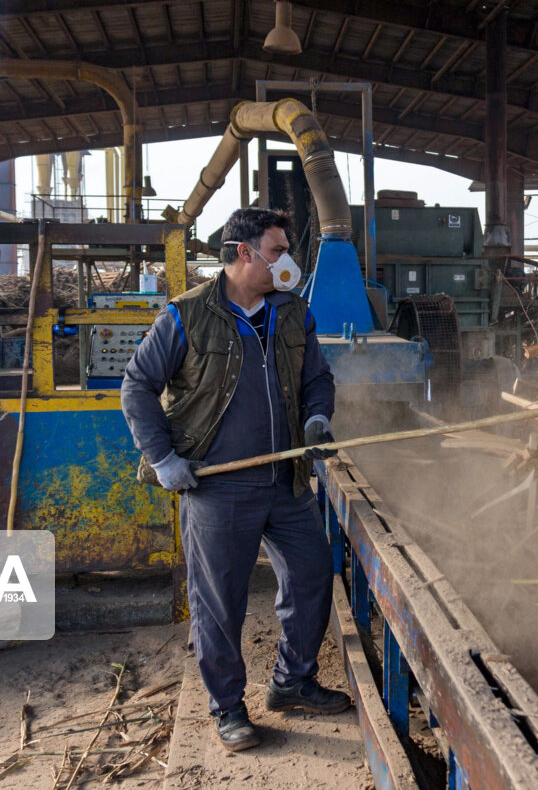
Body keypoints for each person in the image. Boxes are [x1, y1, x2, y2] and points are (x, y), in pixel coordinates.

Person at [121, 207, 350, 752]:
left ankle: (291, 681)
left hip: (285, 480)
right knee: (220, 602)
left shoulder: (293, 313)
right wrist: (162, 458)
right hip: (217, 486)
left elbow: (317, 377)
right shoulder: (187, 315)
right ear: (243, 253)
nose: (287, 262)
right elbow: (137, 387)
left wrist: (318, 418)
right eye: (277, 251)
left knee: (314, 573)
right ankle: (228, 707)